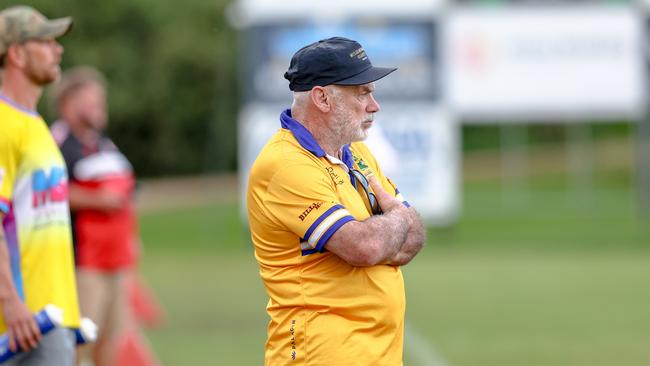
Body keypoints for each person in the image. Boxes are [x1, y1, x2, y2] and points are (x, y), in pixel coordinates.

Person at [246, 36, 426, 365]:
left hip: (378, 354)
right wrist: (396, 219)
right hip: (321, 355)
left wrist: (384, 229)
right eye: (362, 93)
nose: (375, 105)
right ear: (323, 98)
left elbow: (414, 238)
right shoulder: (287, 164)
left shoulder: (356, 152)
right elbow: (364, 248)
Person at [49, 66, 161, 366]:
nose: (100, 107)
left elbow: (125, 191)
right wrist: (97, 199)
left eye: (101, 100)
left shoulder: (102, 142)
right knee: (79, 340)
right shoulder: (57, 141)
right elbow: (50, 191)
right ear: (68, 102)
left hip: (116, 259)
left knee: (111, 345)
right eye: (91, 100)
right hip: (83, 260)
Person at [0, 5, 80, 365]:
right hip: (21, 322)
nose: (58, 50)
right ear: (16, 53)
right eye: (46, 42)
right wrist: (10, 301)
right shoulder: (4, 124)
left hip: (51, 315)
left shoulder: (35, 125)